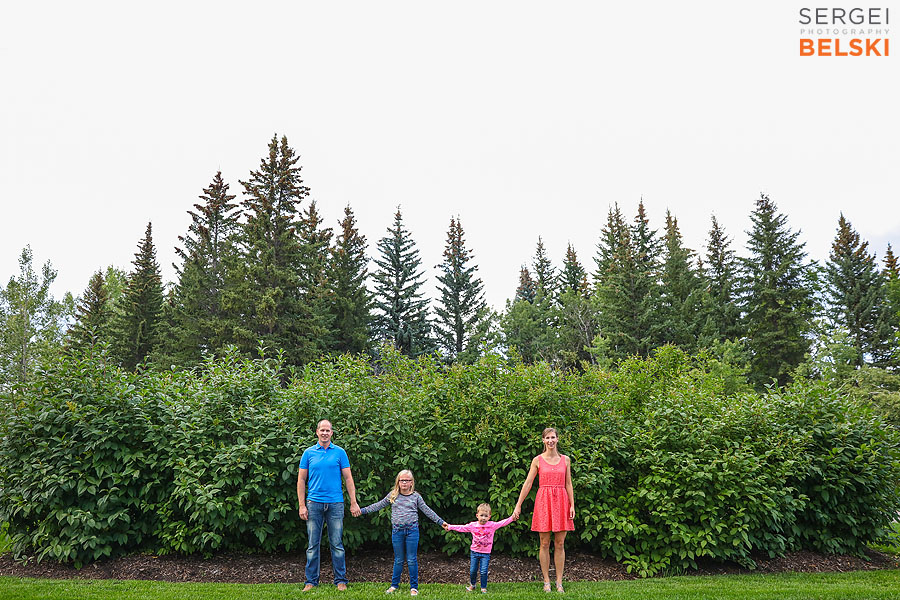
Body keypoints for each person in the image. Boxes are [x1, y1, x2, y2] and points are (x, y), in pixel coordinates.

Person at [357, 469, 445, 596]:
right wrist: (362, 510)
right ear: (398, 482)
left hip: (412, 532)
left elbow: (427, 510)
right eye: (402, 480)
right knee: (398, 560)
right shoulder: (393, 495)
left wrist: (440, 522)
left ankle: (414, 587)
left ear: (411, 482)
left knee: (411, 560)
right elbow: (378, 505)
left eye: (407, 480)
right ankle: (394, 585)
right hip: (397, 531)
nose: (404, 482)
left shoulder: (416, 497)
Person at [297, 419, 361, 592]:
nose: (325, 433)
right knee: (312, 545)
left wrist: (353, 502)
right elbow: (301, 480)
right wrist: (302, 505)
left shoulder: (340, 453)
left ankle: (341, 580)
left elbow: (348, 478)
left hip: (335, 504)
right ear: (317, 432)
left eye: (328, 430)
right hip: (313, 504)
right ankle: (311, 581)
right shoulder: (308, 453)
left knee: (337, 544)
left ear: (332, 433)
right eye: (322, 430)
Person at [512, 427, 575, 593]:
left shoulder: (566, 460)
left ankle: (559, 582)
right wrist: (518, 504)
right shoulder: (537, 460)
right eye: (547, 438)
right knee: (544, 543)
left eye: (553, 437)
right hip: (544, 502)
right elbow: (528, 483)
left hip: (562, 502)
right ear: (543, 440)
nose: (550, 441)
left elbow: (568, 484)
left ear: (557, 439)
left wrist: (572, 505)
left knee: (560, 543)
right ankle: (546, 581)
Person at [442, 502, 517, 593]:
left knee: (483, 571)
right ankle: (473, 585)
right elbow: (461, 527)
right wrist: (449, 527)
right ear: (477, 515)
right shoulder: (473, 526)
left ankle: (483, 587)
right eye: (481, 515)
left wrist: (512, 518)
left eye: (486, 516)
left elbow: (502, 523)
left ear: (489, 516)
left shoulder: (492, 525)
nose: (483, 518)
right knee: (473, 571)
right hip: (474, 552)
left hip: (486, 553)